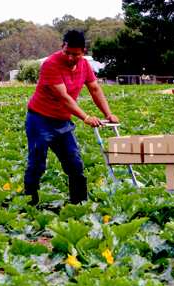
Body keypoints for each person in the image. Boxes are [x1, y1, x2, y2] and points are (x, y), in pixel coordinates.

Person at [24, 30, 118, 205]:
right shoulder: (50, 64)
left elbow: (95, 89)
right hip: (40, 119)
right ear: (62, 47)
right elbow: (64, 98)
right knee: (37, 164)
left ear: (83, 52)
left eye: (75, 54)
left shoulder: (84, 65)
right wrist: (86, 117)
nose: (70, 57)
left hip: (62, 121)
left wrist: (108, 114)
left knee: (75, 163)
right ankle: (29, 204)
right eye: (67, 52)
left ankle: (79, 204)